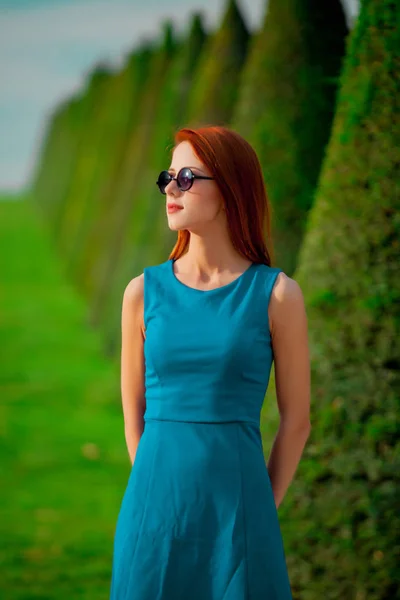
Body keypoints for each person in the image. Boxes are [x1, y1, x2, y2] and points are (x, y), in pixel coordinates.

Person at [109, 125, 311, 599]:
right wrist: (152, 495)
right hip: (151, 516)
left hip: (240, 518)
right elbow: (132, 412)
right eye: (167, 178)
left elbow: (297, 422)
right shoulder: (140, 292)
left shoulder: (278, 295)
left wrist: (260, 510)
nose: (171, 189)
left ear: (231, 187)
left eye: (187, 176)